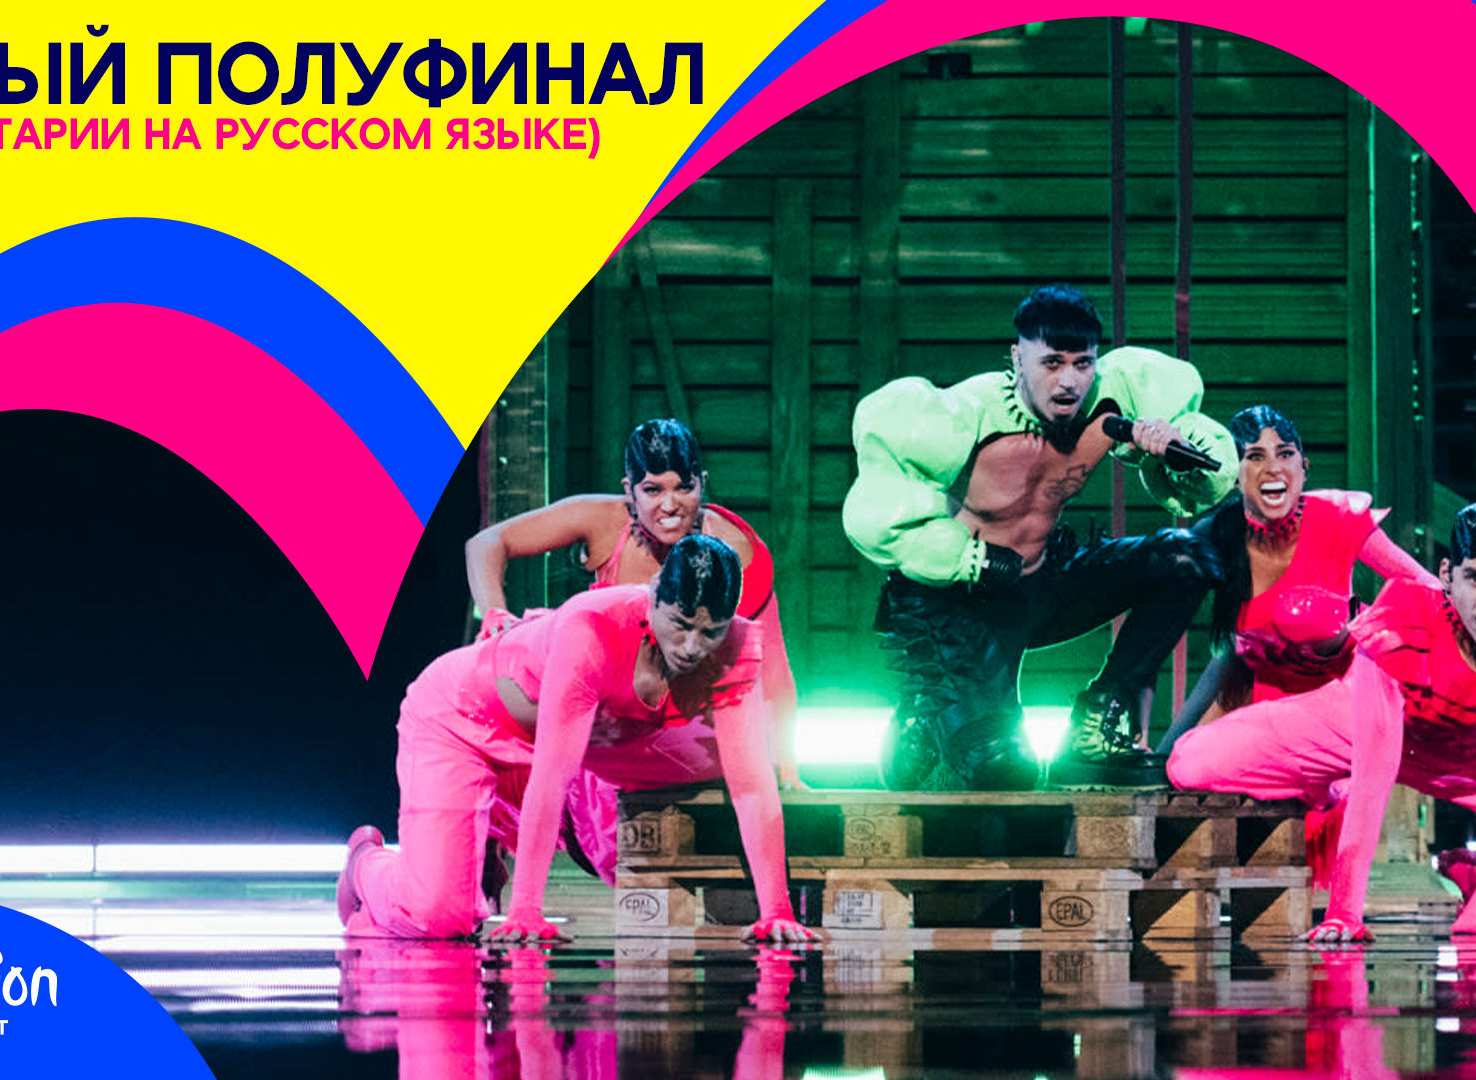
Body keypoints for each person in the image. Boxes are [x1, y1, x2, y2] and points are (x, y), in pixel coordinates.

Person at [843, 283, 1236, 789]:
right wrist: (967, 560)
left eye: (1082, 363)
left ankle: (1098, 722)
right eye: (1052, 363)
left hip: (1039, 582)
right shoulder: (964, 415)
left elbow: (1206, 486)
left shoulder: (1112, 403)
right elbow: (880, 517)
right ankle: (927, 709)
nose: (1068, 381)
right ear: (1017, 358)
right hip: (958, 602)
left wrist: (1175, 451)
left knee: (1188, 558)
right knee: (1004, 768)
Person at [339, 535, 816, 945]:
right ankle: (364, 864)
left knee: (735, 753)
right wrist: (526, 910)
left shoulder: (734, 648)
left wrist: (777, 911)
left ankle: (486, 836)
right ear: (655, 594)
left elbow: (751, 788)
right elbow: (552, 780)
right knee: (440, 918)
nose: (692, 647)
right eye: (681, 624)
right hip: (461, 719)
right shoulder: (594, 630)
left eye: (710, 632)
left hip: (570, 740)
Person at [1168, 503, 1476, 940]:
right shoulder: (1400, 621)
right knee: (1194, 764)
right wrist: (1344, 913)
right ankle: (1324, 789)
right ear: (1447, 575)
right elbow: (1373, 777)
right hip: (1377, 730)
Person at [466, 418, 801, 788]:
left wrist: (788, 769)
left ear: (702, 484)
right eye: (653, 490)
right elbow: (486, 543)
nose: (670, 505)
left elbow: (774, 674)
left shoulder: (734, 550)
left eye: (684, 488)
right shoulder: (605, 521)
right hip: (600, 708)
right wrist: (494, 615)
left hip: (677, 720)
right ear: (630, 491)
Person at [1159, 405, 1435, 747]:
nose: (1273, 468)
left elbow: (1428, 590)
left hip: (1347, 709)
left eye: (1285, 453)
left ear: (1304, 467)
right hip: (1263, 710)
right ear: (1234, 474)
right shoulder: (1217, 533)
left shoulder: (1337, 516)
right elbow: (1224, 660)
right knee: (1184, 763)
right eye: (1255, 456)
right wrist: (1168, 749)